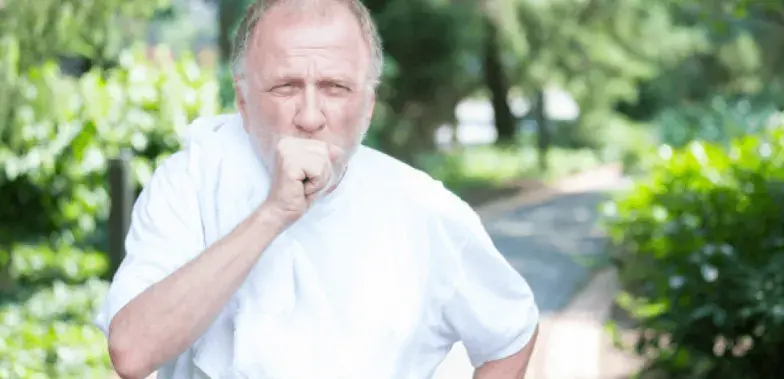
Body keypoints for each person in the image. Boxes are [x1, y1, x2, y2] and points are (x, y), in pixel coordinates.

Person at [94, 0, 540, 378]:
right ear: (243, 101)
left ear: (367, 106)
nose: (310, 116)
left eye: (334, 88)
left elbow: (510, 332)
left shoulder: (425, 210)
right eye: (286, 86)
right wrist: (273, 213)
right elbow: (132, 351)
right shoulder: (191, 179)